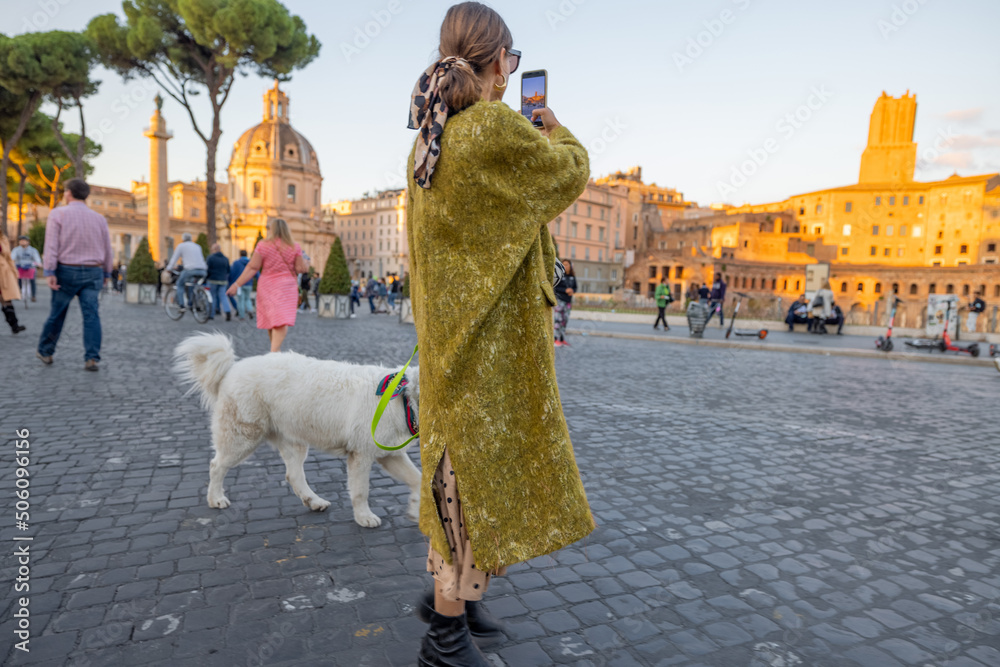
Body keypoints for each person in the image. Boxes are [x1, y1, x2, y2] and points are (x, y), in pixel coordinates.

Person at [405, 5, 594, 664]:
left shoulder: (430, 136)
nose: (513, 76)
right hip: (485, 343)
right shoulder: (490, 126)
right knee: (469, 480)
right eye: (511, 63)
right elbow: (567, 173)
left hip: (450, 335)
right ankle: (444, 637)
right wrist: (558, 128)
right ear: (496, 63)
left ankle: (453, 600)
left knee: (452, 475)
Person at [37, 179, 113, 370]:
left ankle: (46, 352)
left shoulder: (58, 214)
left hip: (66, 270)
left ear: (68, 193)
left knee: (57, 313)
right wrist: (107, 271)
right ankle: (92, 357)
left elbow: (52, 245)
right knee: (91, 315)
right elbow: (107, 249)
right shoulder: (99, 218)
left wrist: (49, 270)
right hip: (94, 270)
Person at [227, 218, 307, 352]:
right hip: (287, 287)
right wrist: (305, 262)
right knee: (278, 319)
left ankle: (274, 352)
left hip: (267, 286)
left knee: (275, 320)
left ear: (271, 230)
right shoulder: (294, 246)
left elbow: (252, 267)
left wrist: (236, 284)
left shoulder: (263, 245)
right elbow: (301, 269)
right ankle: (275, 353)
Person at [166, 232, 207, 311]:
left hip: (190, 269)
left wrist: (169, 268)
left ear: (183, 239)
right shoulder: (198, 246)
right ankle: (193, 302)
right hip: (202, 270)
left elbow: (174, 258)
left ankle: (181, 306)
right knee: (192, 284)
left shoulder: (181, 246)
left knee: (180, 284)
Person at [0, 229, 27, 334]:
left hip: (3, 272)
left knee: (6, 299)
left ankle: (14, 325)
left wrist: (14, 271)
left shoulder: (3, 239)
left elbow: (8, 257)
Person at [205, 243, 232, 321]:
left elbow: (208, 269)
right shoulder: (225, 259)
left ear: (214, 250)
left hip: (212, 280)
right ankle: (227, 311)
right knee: (223, 297)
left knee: (212, 297)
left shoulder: (210, 258)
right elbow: (228, 270)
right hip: (223, 280)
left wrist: (207, 277)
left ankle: (211, 314)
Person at [11, 235, 42, 302]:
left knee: (33, 281)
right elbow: (12, 258)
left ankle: (33, 296)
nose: (22, 242)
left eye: (24, 241)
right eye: (21, 241)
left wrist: (39, 263)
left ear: (28, 242)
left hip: (30, 267)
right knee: (18, 279)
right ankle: (18, 293)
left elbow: (37, 258)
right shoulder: (16, 250)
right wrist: (12, 263)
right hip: (20, 267)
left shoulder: (33, 250)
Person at [554, 258, 577, 345]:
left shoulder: (572, 277)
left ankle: (561, 338)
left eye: (567, 264)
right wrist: (565, 290)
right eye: (563, 264)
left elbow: (575, 287)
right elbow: (556, 288)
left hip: (568, 302)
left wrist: (572, 291)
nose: (565, 266)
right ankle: (555, 339)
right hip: (560, 301)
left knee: (565, 320)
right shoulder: (559, 275)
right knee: (558, 320)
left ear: (570, 266)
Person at [228, 249, 255, 320]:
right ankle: (250, 310)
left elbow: (232, 274)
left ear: (240, 255)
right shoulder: (251, 262)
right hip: (249, 284)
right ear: (246, 255)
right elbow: (256, 272)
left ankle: (242, 316)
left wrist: (231, 283)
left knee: (241, 300)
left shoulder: (236, 263)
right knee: (247, 298)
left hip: (239, 284)